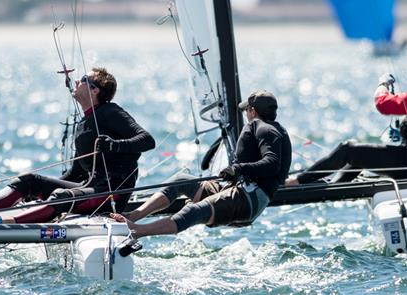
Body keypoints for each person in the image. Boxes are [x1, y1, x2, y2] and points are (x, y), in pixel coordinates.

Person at [0, 67, 155, 224]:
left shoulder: (110, 111)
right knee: (29, 180)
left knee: (61, 196)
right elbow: (77, 173)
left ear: (95, 90)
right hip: (91, 189)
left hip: (111, 194)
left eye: (82, 80)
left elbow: (147, 140)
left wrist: (114, 145)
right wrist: (42, 188)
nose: (76, 82)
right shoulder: (84, 124)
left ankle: (5, 222)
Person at [111, 90, 291, 239]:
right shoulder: (272, 129)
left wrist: (237, 168)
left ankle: (136, 231)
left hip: (249, 200)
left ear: (252, 110)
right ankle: (132, 216)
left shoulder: (265, 129)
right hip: (239, 189)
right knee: (180, 180)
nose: (246, 114)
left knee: (194, 211)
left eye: (246, 111)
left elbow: (272, 163)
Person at [286, 57, 407, 185]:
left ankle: (296, 182)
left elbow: (384, 105)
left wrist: (383, 84)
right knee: (362, 155)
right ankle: (334, 184)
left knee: (348, 149)